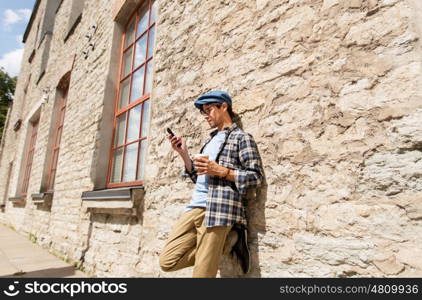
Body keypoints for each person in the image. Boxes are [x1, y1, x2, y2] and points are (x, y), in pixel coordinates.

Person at [159, 90, 264, 277]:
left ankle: (218, 244)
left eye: (209, 110)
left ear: (224, 107)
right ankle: (227, 242)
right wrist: (183, 154)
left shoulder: (241, 138)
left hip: (218, 209)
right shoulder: (210, 141)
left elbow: (255, 177)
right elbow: (198, 176)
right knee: (167, 261)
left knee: (201, 275)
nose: (206, 116)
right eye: (203, 112)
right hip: (195, 207)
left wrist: (221, 171)